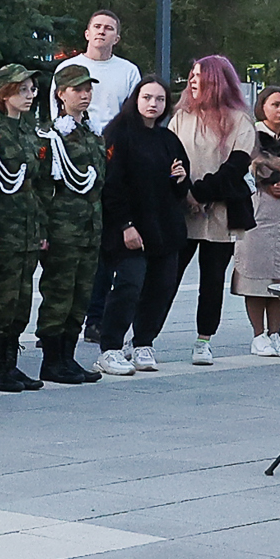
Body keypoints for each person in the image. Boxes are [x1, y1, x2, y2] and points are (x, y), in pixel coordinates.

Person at [94, 76, 190, 375]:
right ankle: (110, 347)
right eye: (147, 97)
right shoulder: (119, 134)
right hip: (130, 228)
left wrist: (180, 178)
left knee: (161, 288)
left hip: (165, 227)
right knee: (129, 285)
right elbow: (111, 185)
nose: (153, 104)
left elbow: (179, 183)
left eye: (160, 99)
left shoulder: (167, 138)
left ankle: (143, 342)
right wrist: (125, 224)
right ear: (136, 99)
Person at [167, 54, 257, 366]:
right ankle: (143, 337)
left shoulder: (239, 121)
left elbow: (235, 167)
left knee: (212, 278)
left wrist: (200, 193)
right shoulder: (181, 117)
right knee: (168, 275)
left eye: (199, 75)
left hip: (220, 211)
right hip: (182, 209)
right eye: (191, 75)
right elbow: (171, 159)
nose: (193, 81)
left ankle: (204, 339)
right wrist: (185, 194)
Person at [35, 61, 107, 383]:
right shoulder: (51, 135)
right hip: (63, 228)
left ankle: (69, 357)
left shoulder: (92, 132)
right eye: (77, 89)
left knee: (81, 294)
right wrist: (44, 230)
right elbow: (43, 186)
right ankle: (52, 360)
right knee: (59, 293)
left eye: (88, 89)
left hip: (89, 228)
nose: (85, 95)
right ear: (60, 94)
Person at [0, 63, 46, 391]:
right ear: (5, 94)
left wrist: (42, 228)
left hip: (29, 227)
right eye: (22, 90)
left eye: (32, 89)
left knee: (21, 299)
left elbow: (39, 183)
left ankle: (10, 364)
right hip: (4, 227)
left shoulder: (30, 130)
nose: (30, 95)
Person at [235, 83, 280, 357]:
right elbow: (239, 171)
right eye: (275, 105)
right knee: (256, 277)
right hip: (258, 212)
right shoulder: (249, 137)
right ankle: (258, 335)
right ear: (262, 106)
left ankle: (276, 333)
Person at [71, 10, 138, 131]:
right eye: (97, 27)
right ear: (87, 34)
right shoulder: (69, 67)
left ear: (116, 39)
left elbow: (134, 112)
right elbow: (57, 106)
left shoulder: (129, 71)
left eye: (109, 28)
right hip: (76, 140)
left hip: (117, 141)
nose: (101, 32)